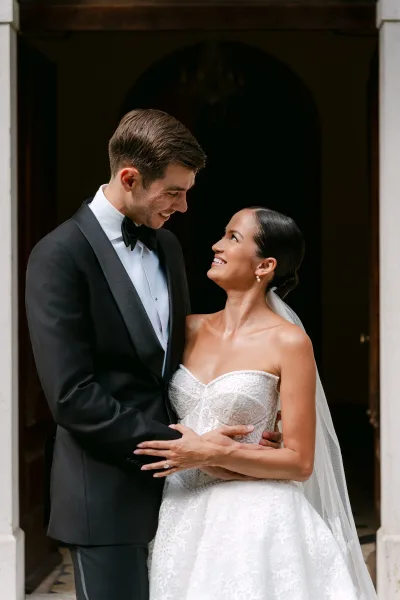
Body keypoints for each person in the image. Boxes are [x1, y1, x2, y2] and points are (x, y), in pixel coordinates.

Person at [25, 109, 282, 600]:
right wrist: (178, 443)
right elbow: (72, 396)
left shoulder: (165, 246)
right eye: (174, 191)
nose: (184, 207)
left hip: (190, 498)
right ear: (129, 177)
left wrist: (246, 415)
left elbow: (179, 359)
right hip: (104, 496)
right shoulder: (58, 256)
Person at [136, 207, 378, 600]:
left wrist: (214, 451)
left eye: (233, 237)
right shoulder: (188, 328)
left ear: (265, 265)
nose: (216, 245)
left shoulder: (289, 342)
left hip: (255, 517)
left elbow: (300, 462)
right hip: (182, 511)